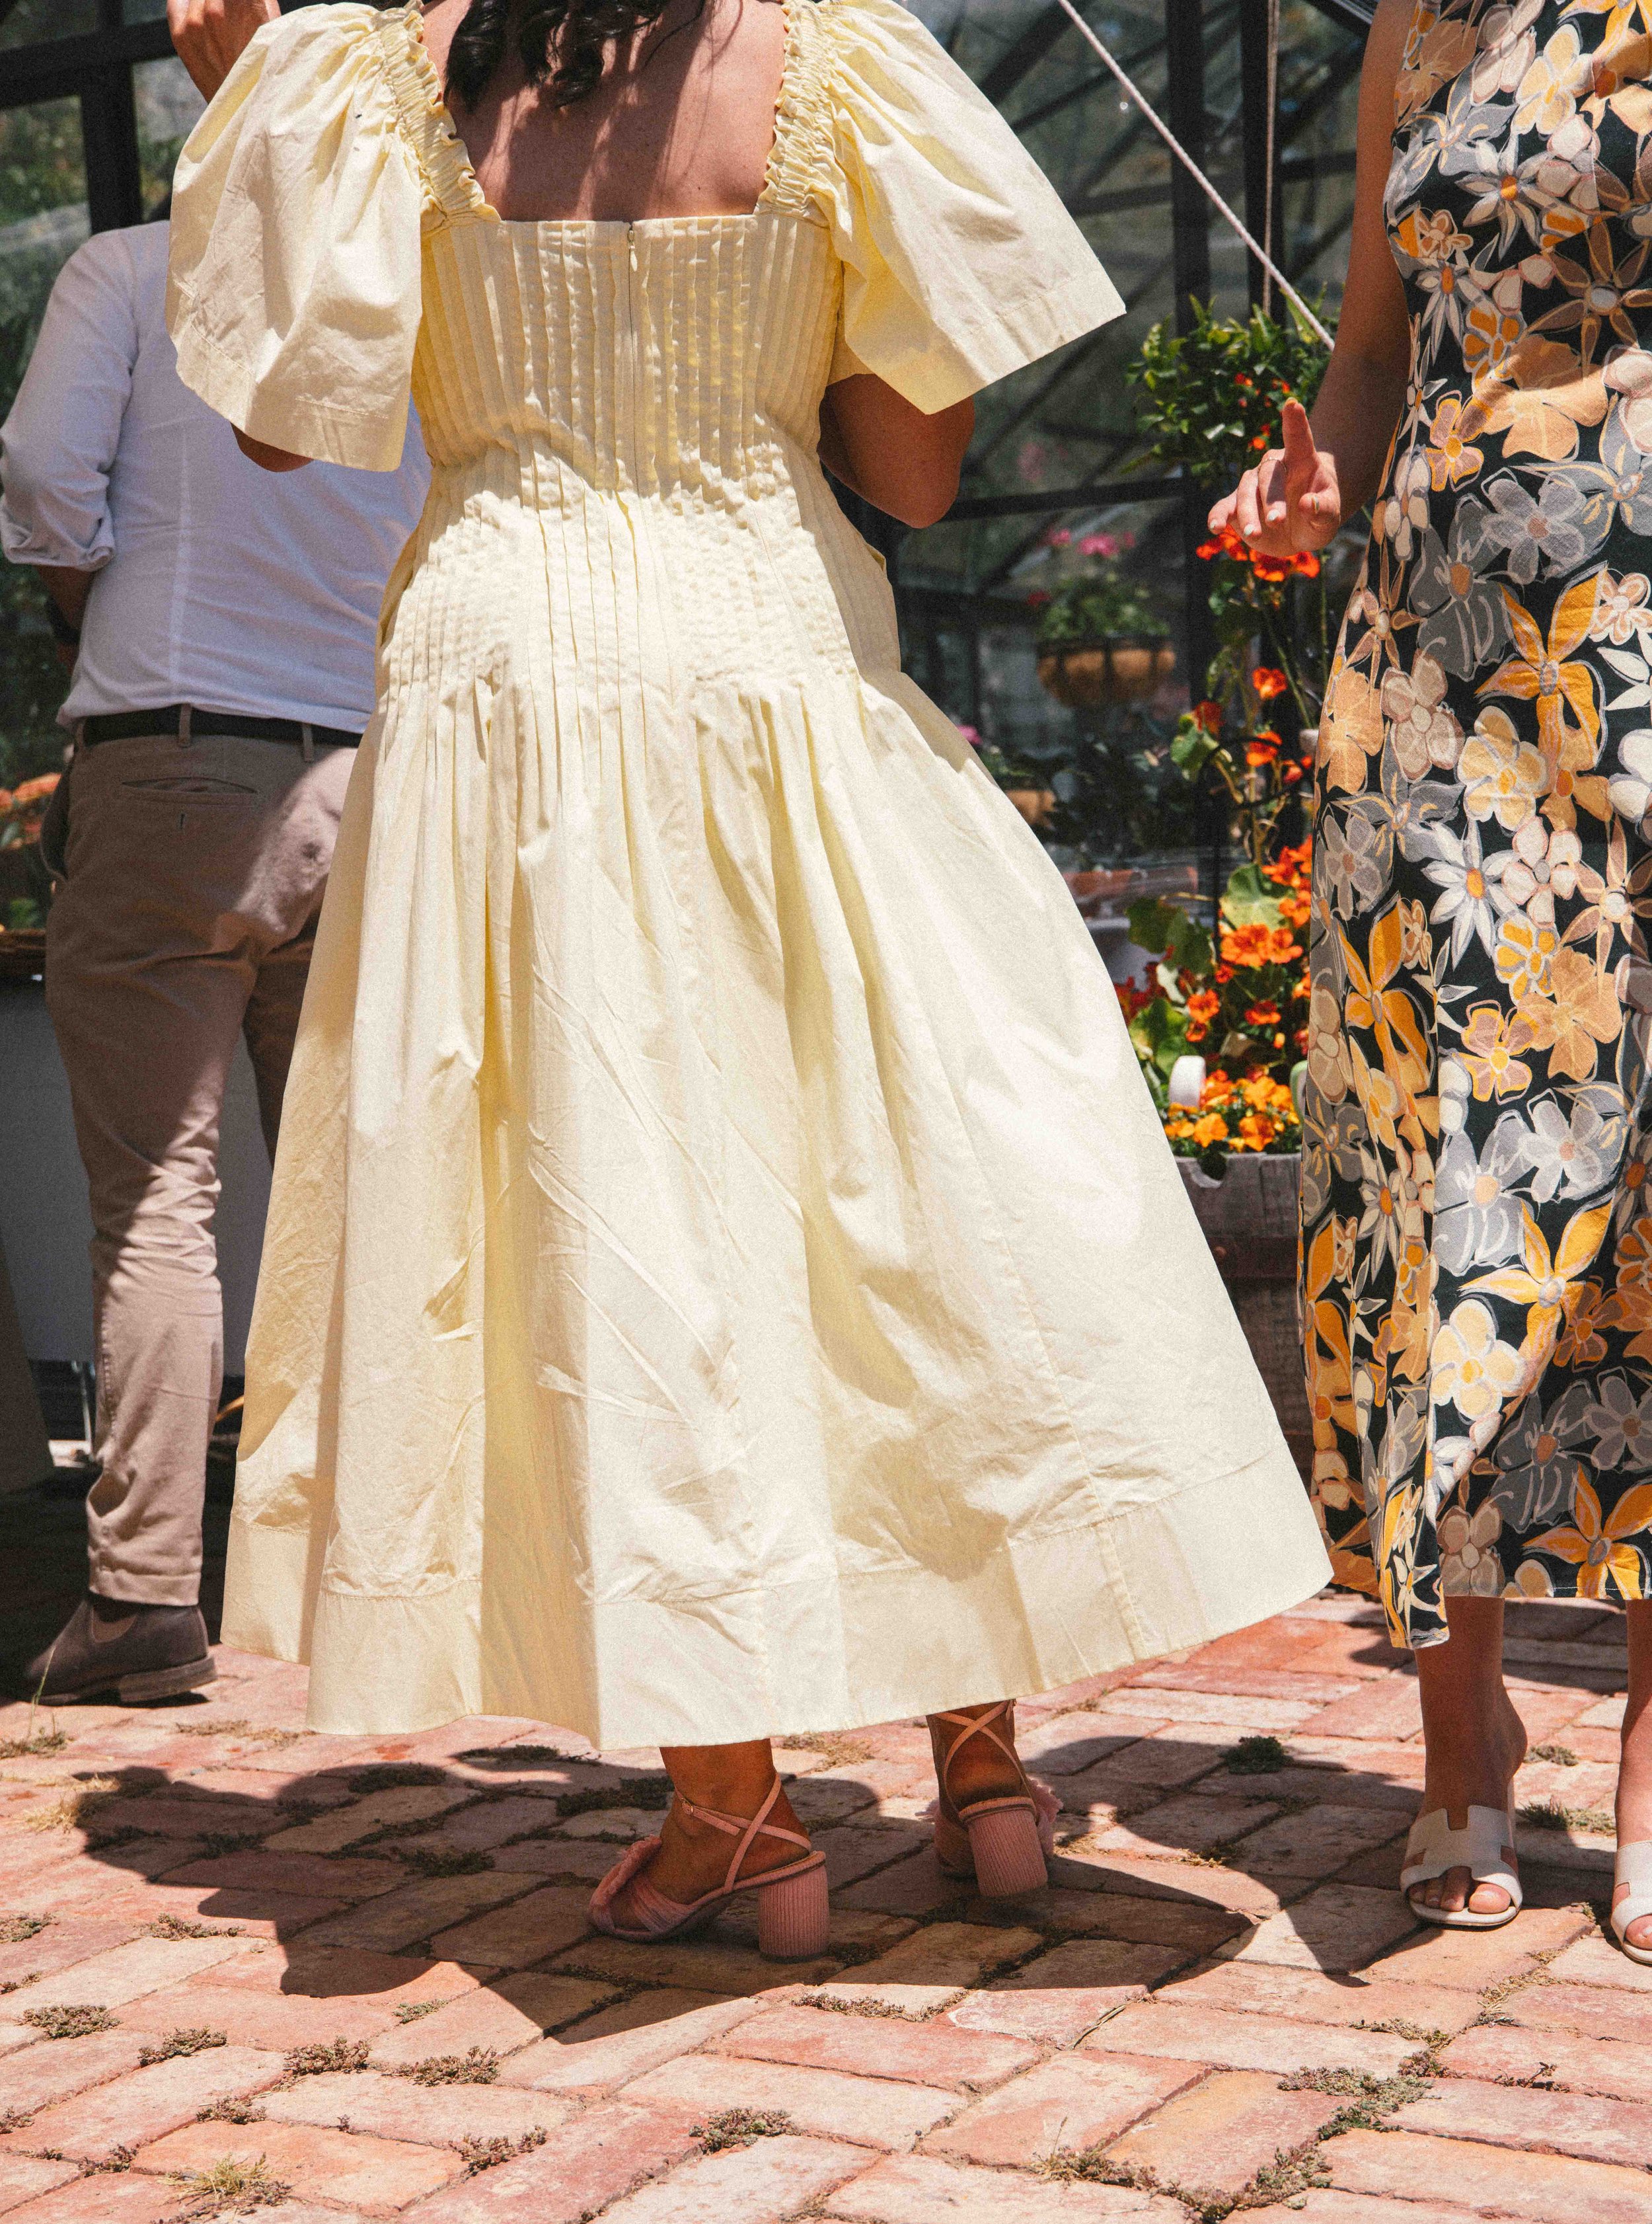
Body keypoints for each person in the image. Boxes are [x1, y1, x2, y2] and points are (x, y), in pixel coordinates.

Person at [163, 0, 1330, 1958]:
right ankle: (983, 1767)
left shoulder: (374, 71)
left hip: (507, 693)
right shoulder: (833, 67)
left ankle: (738, 1808)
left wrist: (238, 112)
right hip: (768, 660)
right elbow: (917, 465)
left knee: (616, 1204)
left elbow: (293, 418)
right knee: (874, 1180)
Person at [1213, 0, 1652, 1956]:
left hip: (1633, 632)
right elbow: (1375, 349)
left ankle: (1651, 1729)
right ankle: (1456, 1715)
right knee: (1437, 1153)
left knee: (1636, 1170)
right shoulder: (1421, 17)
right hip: (1434, 667)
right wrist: (1314, 484)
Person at [0, 205, 428, 1707]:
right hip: (375, 773)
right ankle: (379, 1578)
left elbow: (47, 477)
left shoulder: (129, 267)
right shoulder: (415, 275)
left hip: (175, 757)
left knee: (156, 1206)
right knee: (360, 1192)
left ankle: (141, 1604)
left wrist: (95, 611)